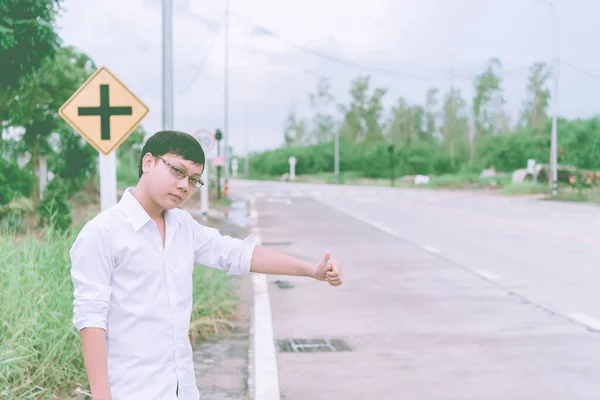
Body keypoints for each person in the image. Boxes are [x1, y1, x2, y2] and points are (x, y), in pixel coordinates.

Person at [69, 130, 343, 400]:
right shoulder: (102, 233)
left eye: (194, 180)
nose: (184, 186)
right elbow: (91, 319)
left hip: (182, 388)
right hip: (131, 390)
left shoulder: (183, 226)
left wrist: (312, 270)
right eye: (178, 171)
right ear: (148, 162)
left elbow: (237, 254)